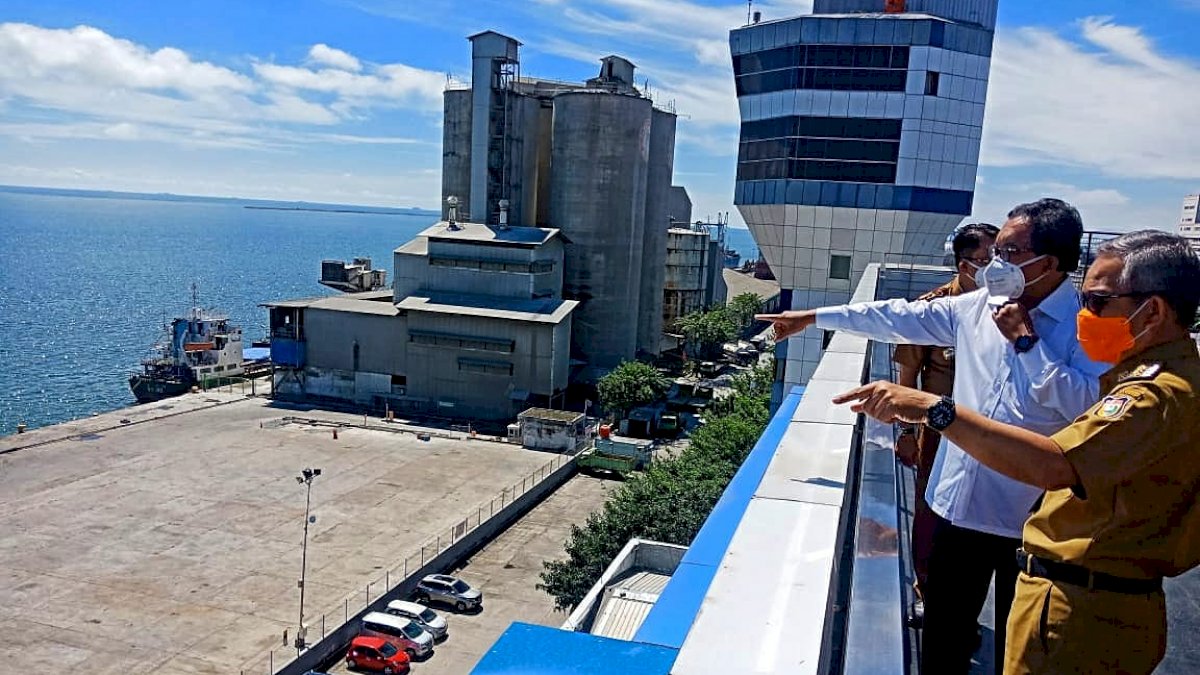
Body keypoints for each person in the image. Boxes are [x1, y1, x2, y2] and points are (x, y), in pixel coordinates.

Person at [758, 198, 1108, 674]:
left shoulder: (1086, 328)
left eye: (1007, 254)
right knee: (943, 639)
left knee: (1019, 648)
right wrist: (816, 316)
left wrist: (1027, 345)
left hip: (1030, 522)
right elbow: (898, 316)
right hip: (957, 506)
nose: (994, 266)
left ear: (1046, 263)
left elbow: (1088, 407)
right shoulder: (979, 307)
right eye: (991, 255)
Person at [833, 230, 1200, 675]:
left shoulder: (1154, 395)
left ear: (1154, 310)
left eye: (1099, 302)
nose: (1086, 315)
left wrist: (937, 410)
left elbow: (1054, 464)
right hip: (1084, 596)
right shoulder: (1162, 377)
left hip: (1085, 610)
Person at [894, 223, 998, 626]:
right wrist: (905, 433)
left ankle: (966, 609)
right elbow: (906, 379)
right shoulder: (933, 310)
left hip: (993, 437)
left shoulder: (1008, 311)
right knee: (931, 514)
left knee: (981, 524)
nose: (1000, 268)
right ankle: (927, 592)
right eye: (990, 260)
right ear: (965, 265)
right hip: (940, 437)